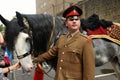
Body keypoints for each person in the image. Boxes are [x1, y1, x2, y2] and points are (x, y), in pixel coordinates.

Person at [33, 5, 95, 80]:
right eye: (71, 19)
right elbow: (50, 53)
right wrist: (33, 60)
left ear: (80, 22)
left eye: (77, 19)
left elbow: (89, 72)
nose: (74, 21)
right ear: (66, 23)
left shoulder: (85, 41)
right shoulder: (62, 38)